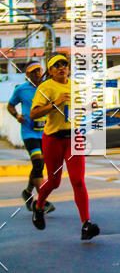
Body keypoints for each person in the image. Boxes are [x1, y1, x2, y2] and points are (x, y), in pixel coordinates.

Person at [29, 54, 100, 240]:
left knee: (78, 180)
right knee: (54, 181)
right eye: (57, 65)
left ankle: (86, 224)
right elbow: (34, 114)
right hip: (53, 138)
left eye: (65, 64)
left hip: (74, 137)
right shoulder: (46, 87)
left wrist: (89, 107)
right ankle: (38, 206)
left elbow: (77, 108)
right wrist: (54, 103)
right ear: (50, 71)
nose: (62, 67)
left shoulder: (76, 86)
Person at [7, 61, 54, 215]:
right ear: (27, 75)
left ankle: (27, 192)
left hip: (46, 132)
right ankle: (42, 201)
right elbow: (10, 105)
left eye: (38, 70)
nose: (36, 74)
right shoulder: (21, 90)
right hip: (29, 133)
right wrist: (17, 116)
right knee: (38, 163)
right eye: (32, 72)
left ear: (42, 71)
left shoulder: (48, 87)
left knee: (38, 165)